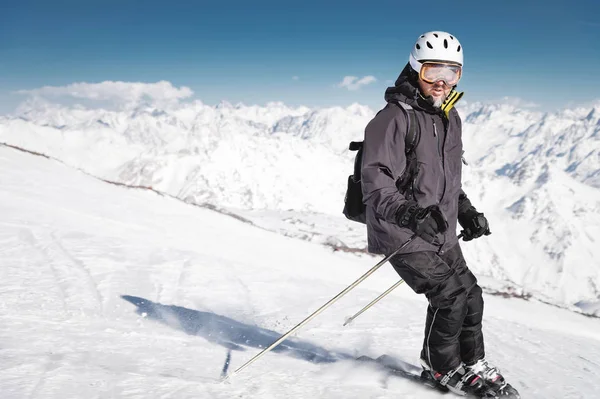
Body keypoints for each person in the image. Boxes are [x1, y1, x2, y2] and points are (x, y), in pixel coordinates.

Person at [360, 31, 518, 397]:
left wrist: (466, 212)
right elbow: (375, 182)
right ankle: (441, 369)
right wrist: (411, 215)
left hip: (439, 230)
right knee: (449, 295)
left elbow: (444, 179)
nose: (442, 82)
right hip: (400, 230)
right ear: (417, 69)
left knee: (471, 294)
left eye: (452, 72)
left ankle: (472, 363)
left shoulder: (450, 117)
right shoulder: (394, 118)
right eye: (434, 71)